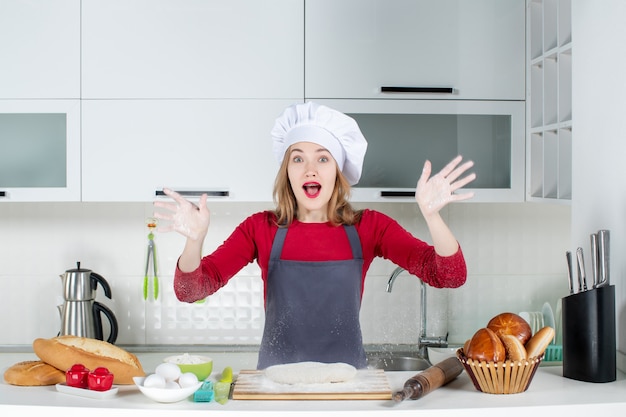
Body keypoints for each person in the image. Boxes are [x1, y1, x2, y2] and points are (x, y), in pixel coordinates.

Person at [153, 102, 476, 369]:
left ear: (337, 170)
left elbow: (449, 275)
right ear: (287, 172)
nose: (310, 169)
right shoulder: (259, 229)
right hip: (276, 387)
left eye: (323, 158)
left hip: (347, 386)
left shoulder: (369, 227)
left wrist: (432, 217)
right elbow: (191, 290)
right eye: (298, 158)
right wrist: (194, 240)